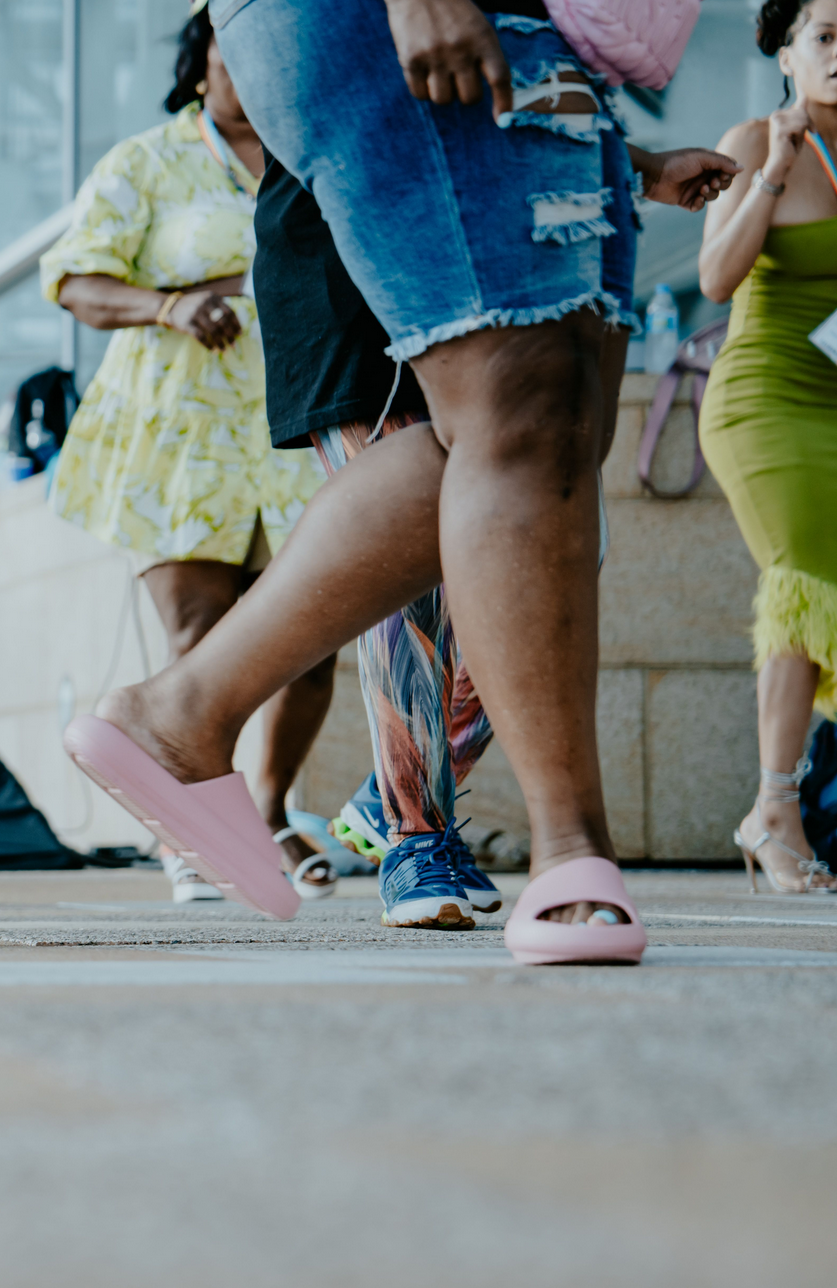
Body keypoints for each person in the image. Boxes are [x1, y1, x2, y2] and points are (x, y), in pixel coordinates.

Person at [62, 0, 739, 962]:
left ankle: (184, 712)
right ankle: (553, 847)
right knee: (517, 407)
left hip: (532, 37)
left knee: (552, 422)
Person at [40, 5, 338, 901]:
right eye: (231, 46)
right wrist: (168, 306)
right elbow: (76, 279)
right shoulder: (146, 160)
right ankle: (183, 825)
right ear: (201, 59)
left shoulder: (314, 155)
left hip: (296, 416)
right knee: (197, 635)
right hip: (182, 434)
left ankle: (270, 807)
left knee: (313, 639)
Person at [253, 149, 503, 928]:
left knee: (546, 570)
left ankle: (387, 792)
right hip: (351, 276)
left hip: (485, 269)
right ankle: (414, 834)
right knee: (411, 576)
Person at [698, 0, 837, 894]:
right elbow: (714, 278)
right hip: (763, 400)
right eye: (824, 36)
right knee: (804, 578)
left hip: (835, 398)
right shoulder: (751, 140)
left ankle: (781, 808)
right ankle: (773, 808)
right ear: (785, 54)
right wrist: (775, 172)